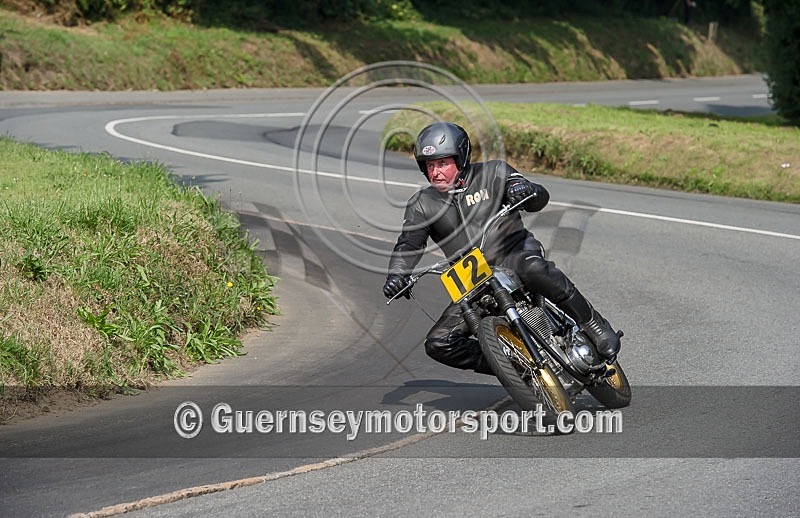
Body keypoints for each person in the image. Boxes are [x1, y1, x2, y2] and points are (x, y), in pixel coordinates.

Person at [382, 122, 621, 375]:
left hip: (513, 252)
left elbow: (539, 197)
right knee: (439, 343)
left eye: (442, 163)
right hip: (473, 281)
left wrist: (523, 189)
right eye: (429, 165)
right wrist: (397, 274)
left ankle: (594, 324)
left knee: (534, 269)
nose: (435, 172)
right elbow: (408, 244)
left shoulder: (494, 173)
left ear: (461, 158)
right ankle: (515, 366)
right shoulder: (422, 204)